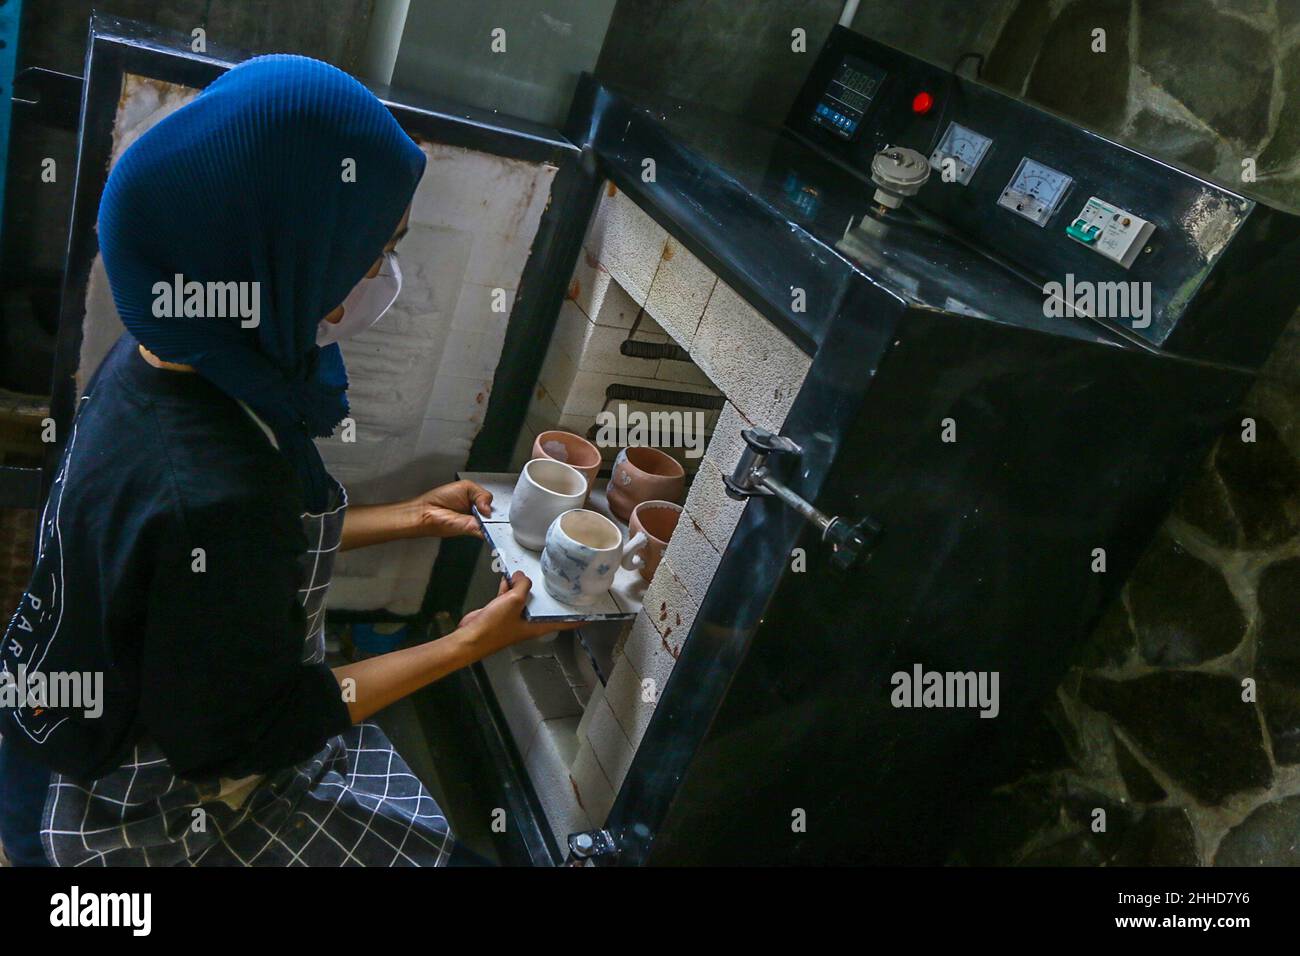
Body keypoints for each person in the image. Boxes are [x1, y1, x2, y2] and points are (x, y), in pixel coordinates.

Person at [0, 54, 570, 866]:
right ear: (279, 247)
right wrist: (469, 645)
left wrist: (406, 518)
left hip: (58, 731)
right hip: (121, 812)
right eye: (373, 248)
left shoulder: (160, 357)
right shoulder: (216, 491)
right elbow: (247, 732)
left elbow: (190, 573)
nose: (381, 273)